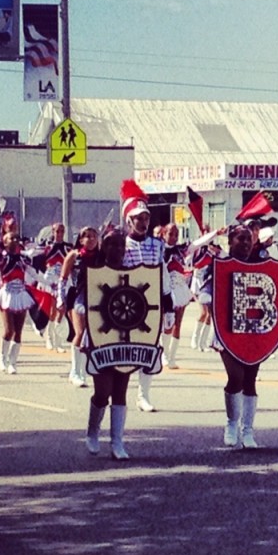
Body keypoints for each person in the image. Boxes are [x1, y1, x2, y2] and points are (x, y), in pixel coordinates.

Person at [204, 223, 270, 449]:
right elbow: (205, 289)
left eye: (248, 239)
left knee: (250, 379)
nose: (245, 243)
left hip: (253, 327)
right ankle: (232, 423)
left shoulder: (261, 264)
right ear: (230, 241)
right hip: (227, 328)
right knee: (235, 377)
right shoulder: (219, 264)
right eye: (240, 239)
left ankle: (248, 430)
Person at [118, 181, 173, 413]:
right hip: (125, 305)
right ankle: (120, 393)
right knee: (125, 350)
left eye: (146, 218)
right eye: (138, 218)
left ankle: (144, 395)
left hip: (151, 305)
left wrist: (168, 305)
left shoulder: (157, 245)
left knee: (149, 349)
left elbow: (163, 274)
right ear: (129, 220)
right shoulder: (119, 244)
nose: (143, 222)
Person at [83, 231, 137, 459]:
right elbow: (80, 301)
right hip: (99, 336)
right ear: (103, 247)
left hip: (124, 335)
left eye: (121, 245)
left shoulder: (134, 274)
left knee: (121, 389)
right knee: (103, 391)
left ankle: (117, 442)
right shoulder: (91, 271)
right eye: (111, 244)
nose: (116, 249)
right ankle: (93, 431)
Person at [57, 226, 100, 386]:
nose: (91, 239)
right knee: (80, 332)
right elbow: (62, 279)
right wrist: (60, 300)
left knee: (90, 335)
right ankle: (74, 372)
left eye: (94, 236)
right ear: (80, 240)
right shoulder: (74, 256)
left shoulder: (100, 256)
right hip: (77, 297)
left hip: (95, 298)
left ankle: (83, 371)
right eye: (87, 236)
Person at [0, 227, 38, 374]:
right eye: (11, 238)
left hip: (20, 294)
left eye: (16, 238)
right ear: (4, 242)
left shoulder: (23, 259)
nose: (15, 240)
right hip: (7, 295)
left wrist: (49, 282)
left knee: (18, 332)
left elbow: (33, 273)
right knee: (9, 330)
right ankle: (2, 357)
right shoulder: (1, 258)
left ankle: (13, 362)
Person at [160, 223, 193, 369]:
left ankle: (171, 357)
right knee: (166, 324)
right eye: (170, 234)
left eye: (176, 234)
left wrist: (216, 233)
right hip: (165, 291)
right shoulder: (158, 249)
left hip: (180, 289)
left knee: (177, 324)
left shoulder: (181, 250)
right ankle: (163, 355)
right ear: (163, 234)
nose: (173, 237)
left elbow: (198, 244)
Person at [36, 222, 73, 352]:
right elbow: (35, 257)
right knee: (52, 311)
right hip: (50, 280)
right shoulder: (47, 247)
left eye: (62, 231)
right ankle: (49, 338)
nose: (60, 234)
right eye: (57, 231)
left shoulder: (68, 248)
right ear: (53, 232)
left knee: (61, 311)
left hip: (62, 280)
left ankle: (59, 341)